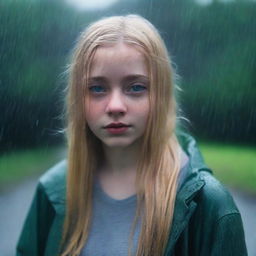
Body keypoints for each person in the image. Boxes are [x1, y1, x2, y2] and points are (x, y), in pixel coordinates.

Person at [16, 15, 247, 256]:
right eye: (97, 88)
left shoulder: (210, 205)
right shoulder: (52, 191)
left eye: (136, 87)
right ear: (77, 98)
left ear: (161, 93)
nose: (115, 106)